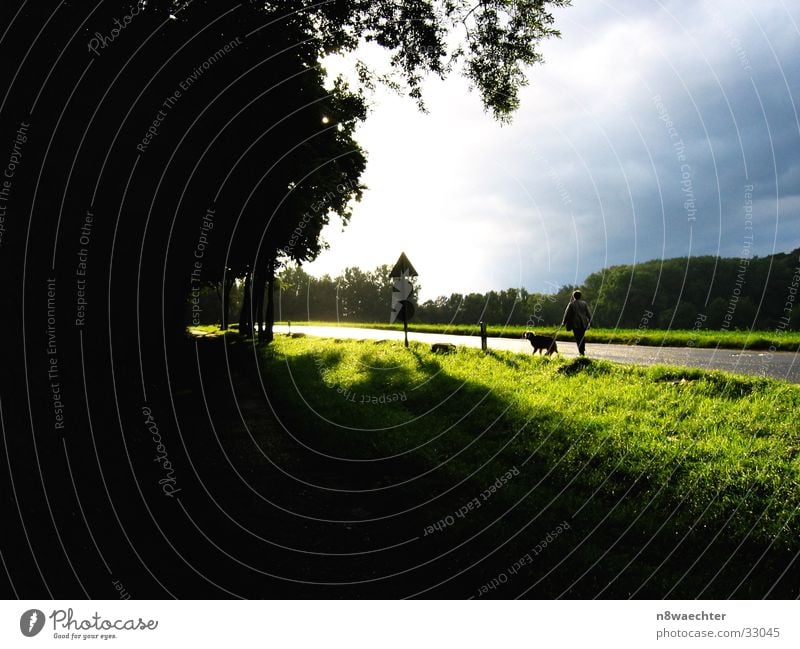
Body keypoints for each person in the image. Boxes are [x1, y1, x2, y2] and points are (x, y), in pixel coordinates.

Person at [562, 290, 592, 356]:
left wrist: (564, 322)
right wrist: (590, 321)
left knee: (578, 338)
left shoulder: (571, 304)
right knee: (582, 336)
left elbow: (567, 314)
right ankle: (582, 349)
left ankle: (581, 351)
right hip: (583, 323)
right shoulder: (584, 303)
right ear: (580, 296)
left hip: (575, 324)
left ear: (573, 296)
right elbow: (588, 313)